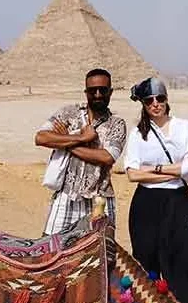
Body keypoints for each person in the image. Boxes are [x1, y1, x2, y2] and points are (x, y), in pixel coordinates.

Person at [123, 77, 188, 303]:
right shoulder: (138, 134)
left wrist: (154, 170)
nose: (155, 104)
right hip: (145, 205)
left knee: (184, 264)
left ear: (167, 99)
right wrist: (174, 170)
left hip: (175, 203)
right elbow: (133, 174)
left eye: (160, 98)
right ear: (143, 104)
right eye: (149, 100)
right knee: (146, 265)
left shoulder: (184, 127)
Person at [34, 68, 127, 234]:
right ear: (86, 92)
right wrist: (82, 138)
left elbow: (107, 157)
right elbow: (41, 138)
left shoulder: (117, 124)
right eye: (92, 90)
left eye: (103, 90)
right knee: (52, 246)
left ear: (110, 92)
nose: (97, 94)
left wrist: (66, 142)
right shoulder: (69, 113)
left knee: (101, 248)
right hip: (67, 196)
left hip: (100, 198)